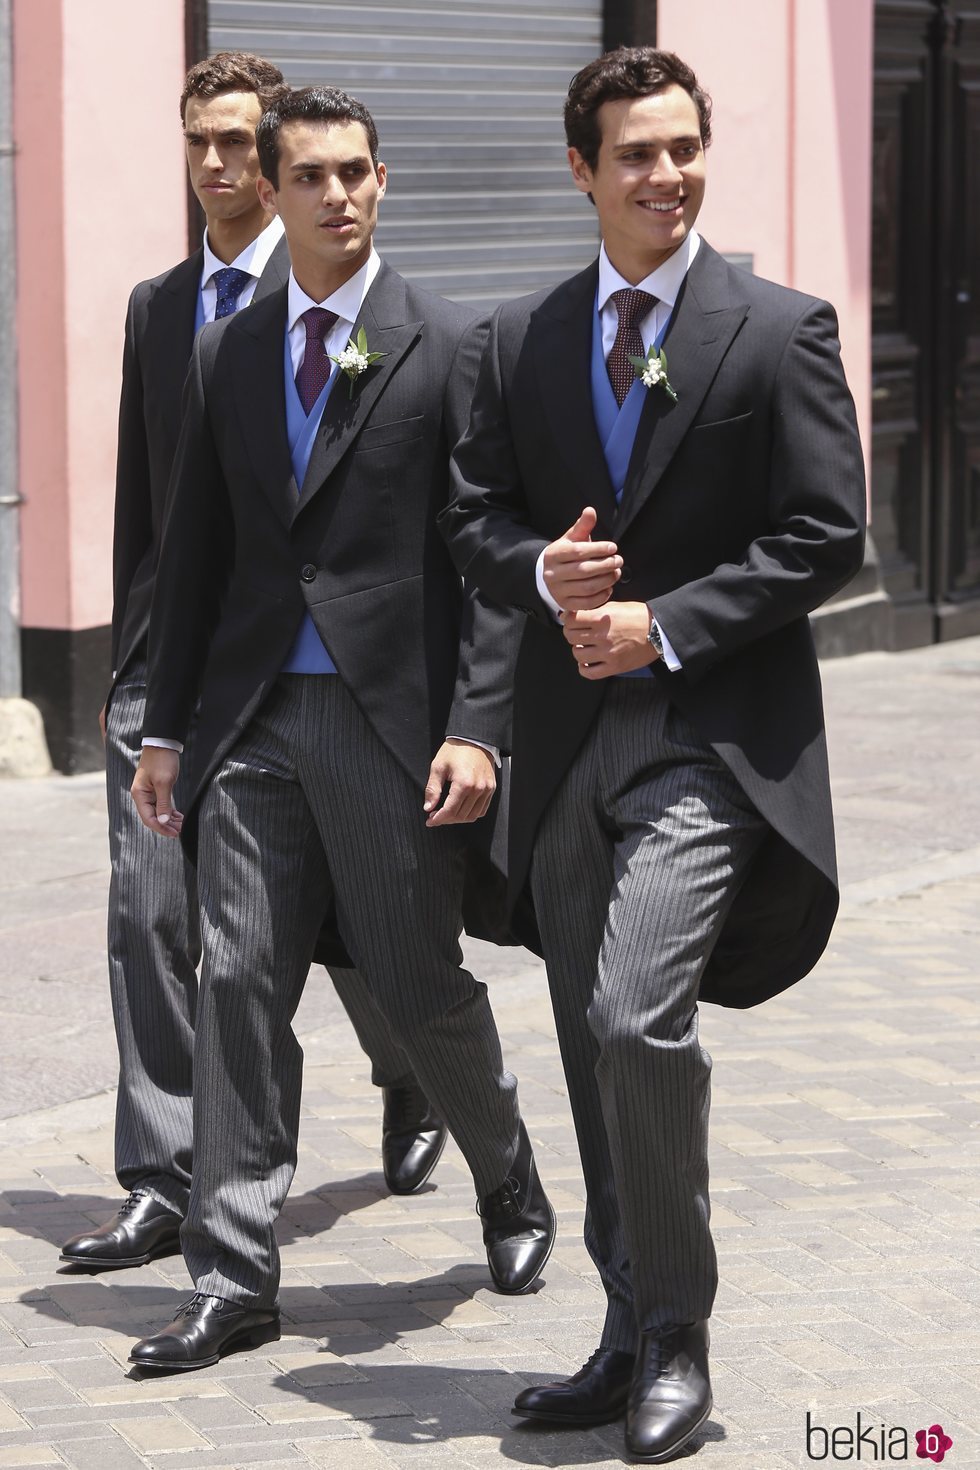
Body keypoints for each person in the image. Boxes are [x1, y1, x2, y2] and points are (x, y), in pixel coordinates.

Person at [442, 47, 867, 1464]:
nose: (667, 175)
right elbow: (476, 518)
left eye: (684, 147)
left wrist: (665, 624)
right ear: (583, 170)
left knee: (633, 1015)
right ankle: (624, 1325)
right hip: (564, 749)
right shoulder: (521, 338)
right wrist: (544, 571)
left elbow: (826, 533)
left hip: (710, 745)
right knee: (581, 1042)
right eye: (636, 153)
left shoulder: (779, 329)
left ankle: (678, 1328)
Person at [126, 85, 555, 1373]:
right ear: (272, 184)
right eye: (311, 176)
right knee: (238, 978)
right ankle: (236, 1269)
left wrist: (478, 726)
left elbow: (485, 561)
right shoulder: (228, 352)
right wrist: (161, 725)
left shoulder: (450, 343)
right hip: (250, 720)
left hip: (389, 724)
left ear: (383, 180)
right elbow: (193, 552)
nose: (338, 197)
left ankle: (510, 1173)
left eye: (357, 173)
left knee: (415, 986)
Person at [59, 54, 444, 1280]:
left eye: (238, 144)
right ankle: (169, 1178)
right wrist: (135, 675)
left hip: (320, 681)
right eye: (199, 144)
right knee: (154, 923)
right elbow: (152, 508)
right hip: (179, 675)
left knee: (346, 938)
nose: (218, 167)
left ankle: (416, 1076)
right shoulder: (158, 306)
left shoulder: (343, 291)